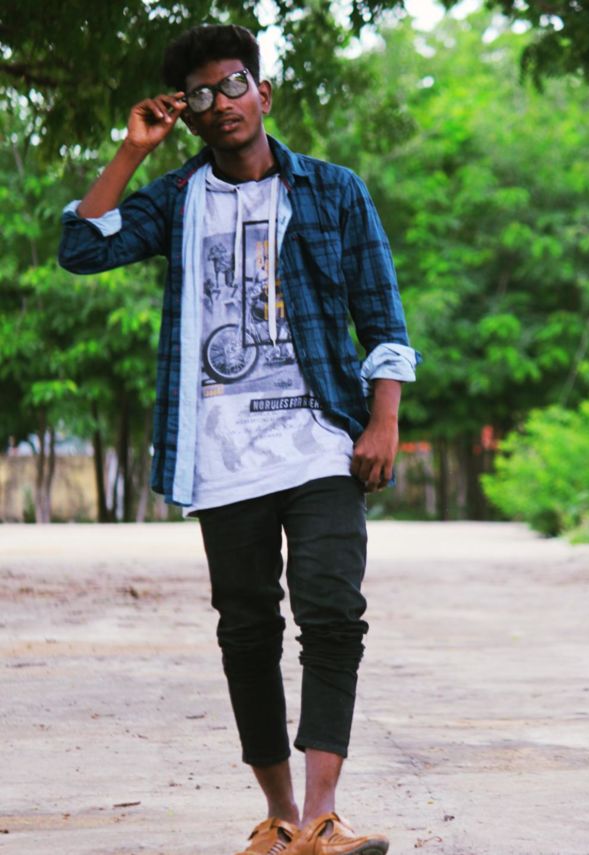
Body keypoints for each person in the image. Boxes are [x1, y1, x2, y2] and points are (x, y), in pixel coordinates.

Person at [58, 23, 418, 855]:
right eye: (200, 94)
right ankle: (280, 816)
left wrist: (384, 418)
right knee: (248, 631)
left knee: (333, 612)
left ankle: (323, 814)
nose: (221, 103)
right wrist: (131, 150)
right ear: (185, 113)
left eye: (233, 84)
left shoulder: (334, 190)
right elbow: (80, 247)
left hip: (323, 437)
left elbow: (382, 314)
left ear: (263, 93)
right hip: (221, 454)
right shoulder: (178, 198)